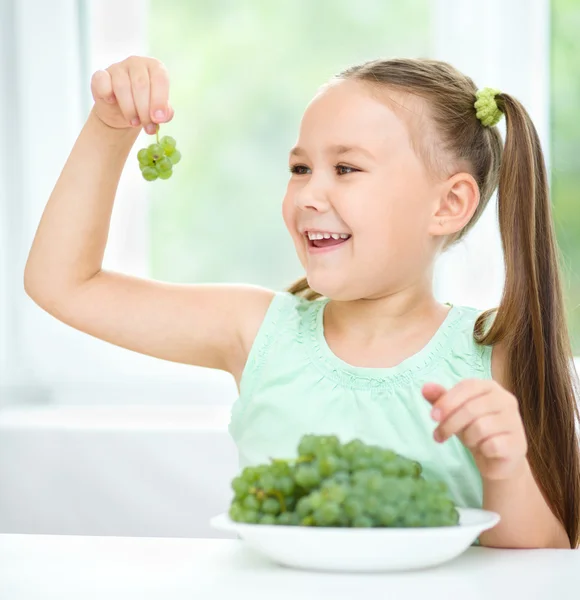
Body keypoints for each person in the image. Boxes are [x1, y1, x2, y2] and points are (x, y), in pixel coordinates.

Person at [23, 55, 579, 549]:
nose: (309, 195)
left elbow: (547, 560)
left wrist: (503, 466)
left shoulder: (491, 353)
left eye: (346, 168)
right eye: (299, 169)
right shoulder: (255, 331)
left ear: (449, 204)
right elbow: (64, 283)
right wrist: (108, 127)